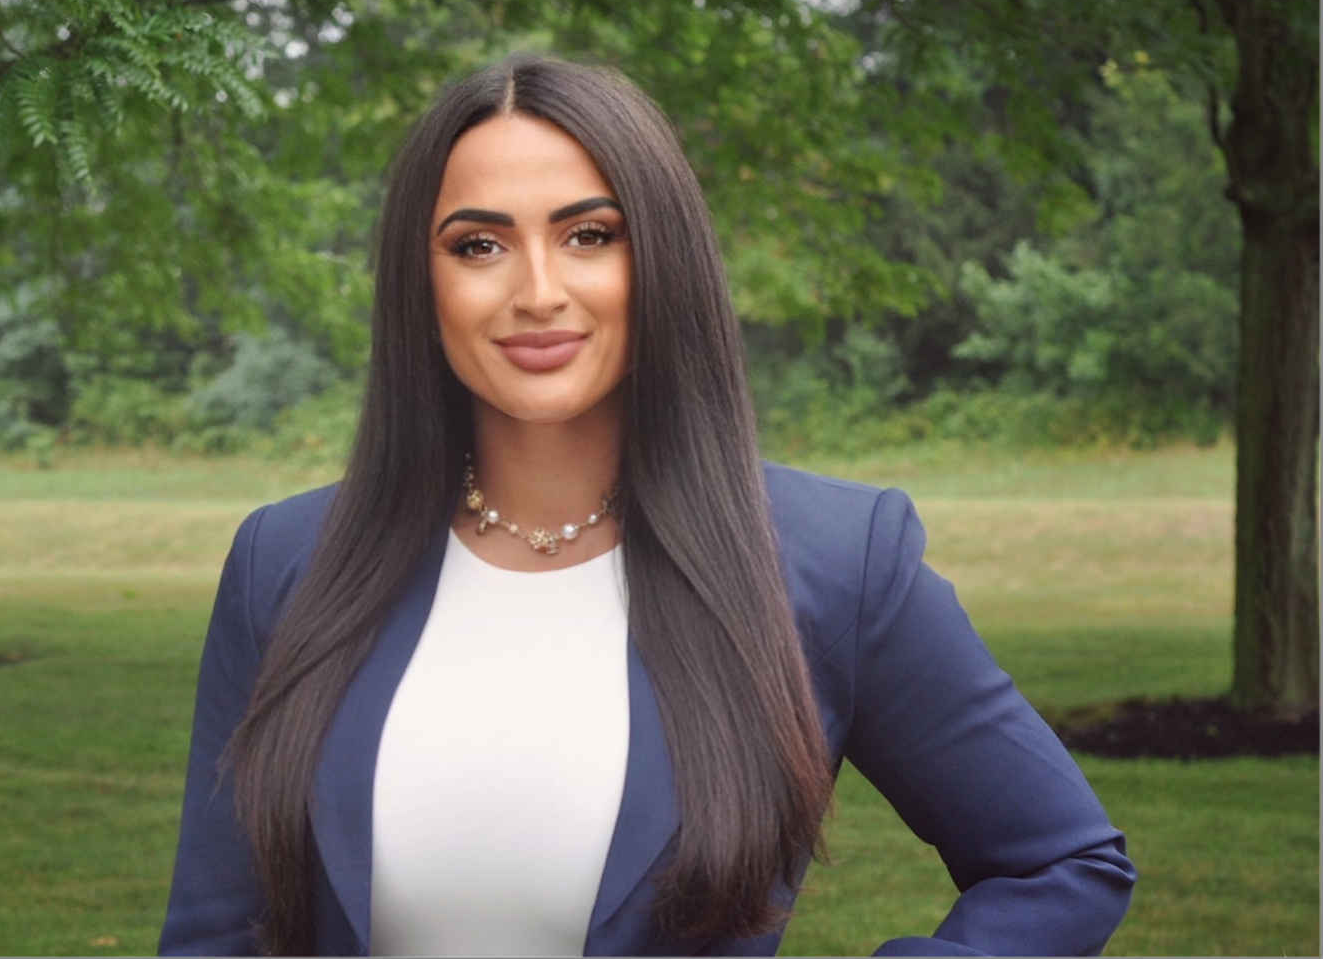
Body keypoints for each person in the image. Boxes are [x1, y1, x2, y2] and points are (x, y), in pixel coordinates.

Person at [158, 55, 1135, 958]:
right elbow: (213, 932)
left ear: (660, 255)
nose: (537, 290)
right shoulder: (283, 561)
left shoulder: (836, 558)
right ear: (424, 281)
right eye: (479, 243)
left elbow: (1061, 863)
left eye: (590, 234)